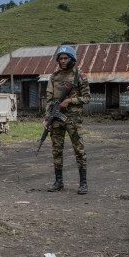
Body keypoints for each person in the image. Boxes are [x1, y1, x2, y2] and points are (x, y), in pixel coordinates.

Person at [43, 46, 91, 194]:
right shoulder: (54, 77)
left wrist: (70, 100)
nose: (63, 61)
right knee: (56, 150)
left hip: (73, 119)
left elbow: (87, 98)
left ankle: (83, 183)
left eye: (66, 58)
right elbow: (49, 99)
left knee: (79, 150)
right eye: (61, 58)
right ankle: (58, 182)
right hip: (56, 118)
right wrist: (47, 120)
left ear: (72, 59)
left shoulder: (79, 75)